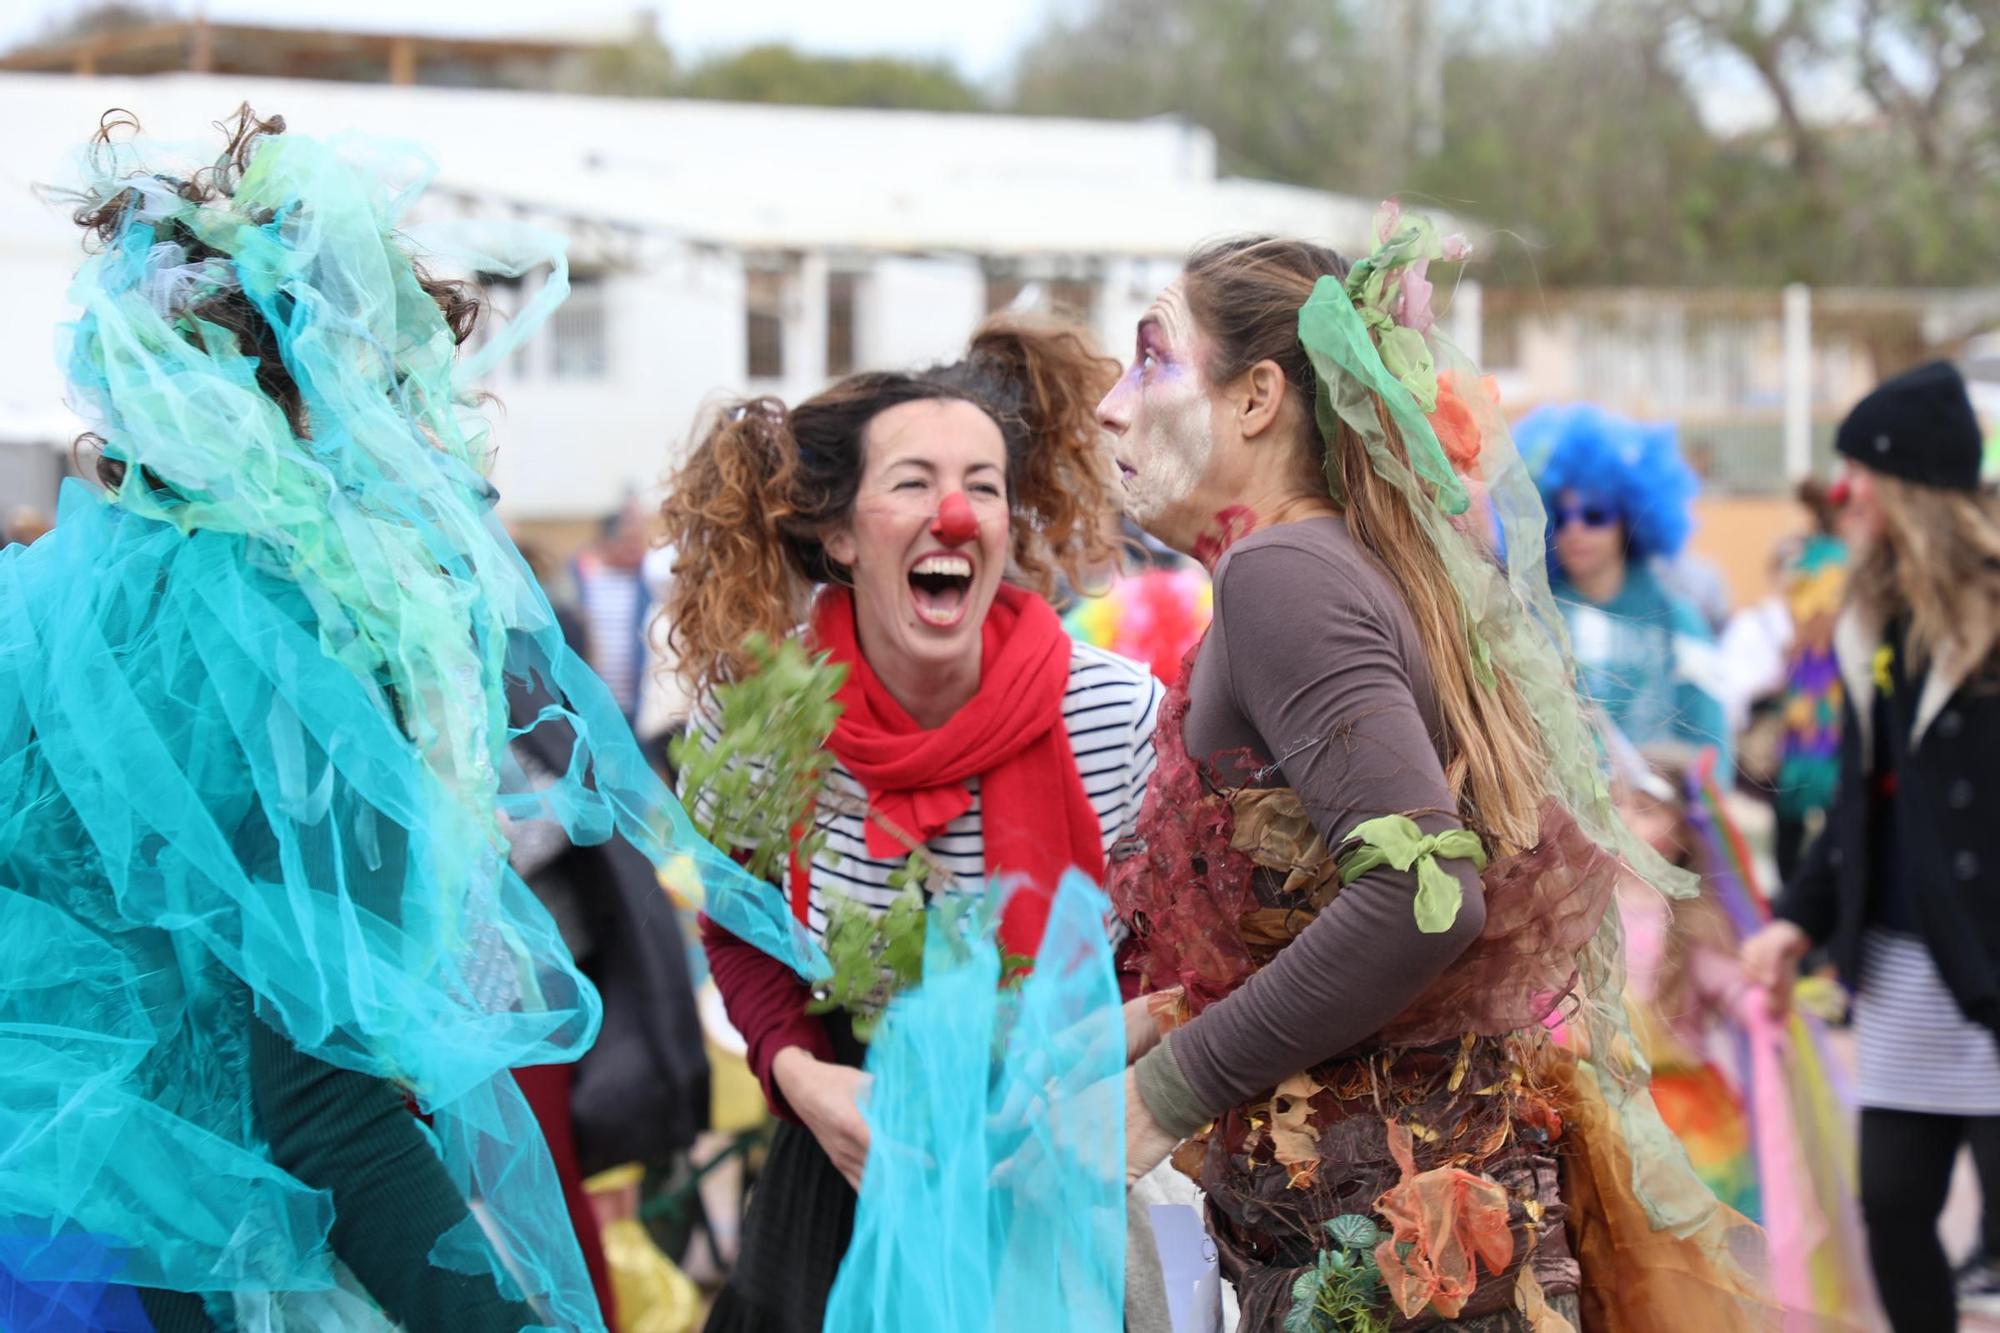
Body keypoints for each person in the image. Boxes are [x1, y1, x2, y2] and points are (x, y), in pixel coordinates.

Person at [0, 107, 754, 1332]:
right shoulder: (305, 649)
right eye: (403, 375)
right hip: (203, 1274)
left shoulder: (57, 607)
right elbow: (318, 1106)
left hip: (46, 1242)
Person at [1100, 217, 1767, 1332]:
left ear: (1257, 396)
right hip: (1399, 1228)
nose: (1114, 401)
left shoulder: (1283, 572)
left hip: (1387, 1249)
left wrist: (1161, 1094)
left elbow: (1424, 894)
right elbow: (1313, 894)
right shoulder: (1328, 566)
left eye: (1152, 356)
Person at [657, 316, 1166, 1332]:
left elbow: (1179, 959)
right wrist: (803, 1080)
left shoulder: (1116, 717)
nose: (956, 512)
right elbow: (737, 930)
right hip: (838, 1183)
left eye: (984, 486)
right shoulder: (761, 716)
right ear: (840, 534)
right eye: (914, 482)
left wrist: (1106, 1061)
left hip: (1047, 1182)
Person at [1743, 359, 2000, 1333]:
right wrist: (1792, 923)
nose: (1837, 501)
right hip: (1900, 967)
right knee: (1890, 1206)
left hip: (1987, 962)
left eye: (1852, 480)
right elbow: (1861, 809)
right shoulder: (1865, 626)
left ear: (1901, 490)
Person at [1517, 404, 1733, 779]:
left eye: (1595, 514)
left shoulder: (1675, 617)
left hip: (1660, 829)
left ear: (1628, 518)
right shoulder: (1530, 618)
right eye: (1562, 516)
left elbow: (1711, 742)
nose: (1576, 531)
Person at [575, 499, 656, 726]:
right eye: (628, 541)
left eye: (639, 540)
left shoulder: (648, 584)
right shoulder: (583, 581)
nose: (636, 549)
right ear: (606, 542)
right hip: (596, 705)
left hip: (638, 707)